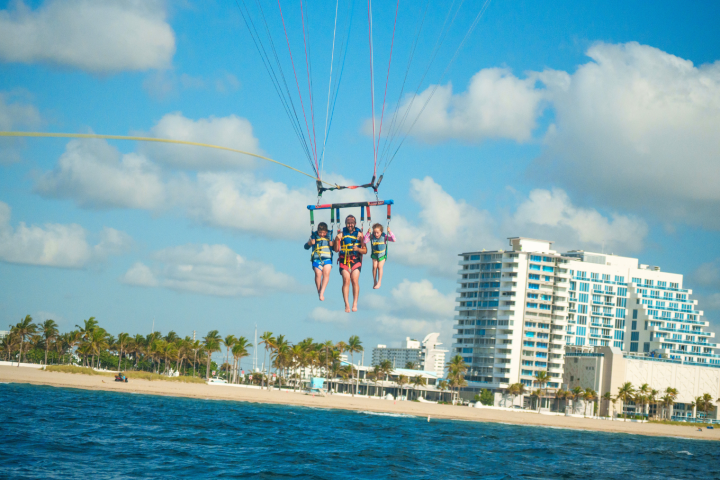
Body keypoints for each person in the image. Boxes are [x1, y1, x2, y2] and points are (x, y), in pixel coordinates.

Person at [335, 215, 367, 312]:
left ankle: (355, 303)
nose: (350, 225)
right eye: (348, 223)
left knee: (354, 279)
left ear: (355, 224)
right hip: (344, 260)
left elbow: (365, 250)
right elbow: (336, 250)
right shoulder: (341, 234)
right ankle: (347, 304)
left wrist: (358, 249)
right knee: (346, 279)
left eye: (351, 223)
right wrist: (337, 239)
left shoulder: (360, 234)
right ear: (346, 224)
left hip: (355, 260)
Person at [304, 222, 334, 301]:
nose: (321, 234)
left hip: (327, 259)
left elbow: (335, 248)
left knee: (326, 273)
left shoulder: (330, 236)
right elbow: (305, 247)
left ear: (326, 232)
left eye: (324, 233)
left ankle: (322, 292)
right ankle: (319, 291)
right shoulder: (313, 236)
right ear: (317, 231)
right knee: (318, 273)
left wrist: (333, 244)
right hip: (317, 259)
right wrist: (310, 243)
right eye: (320, 232)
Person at [363, 223, 395, 289]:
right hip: (375, 254)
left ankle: (379, 282)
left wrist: (390, 232)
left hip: (382, 255)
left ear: (381, 232)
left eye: (377, 233)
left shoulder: (384, 236)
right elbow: (365, 241)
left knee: (379, 266)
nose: (376, 234)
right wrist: (367, 233)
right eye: (374, 233)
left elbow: (394, 239)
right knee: (375, 266)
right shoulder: (372, 236)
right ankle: (375, 281)